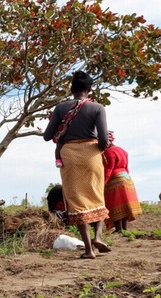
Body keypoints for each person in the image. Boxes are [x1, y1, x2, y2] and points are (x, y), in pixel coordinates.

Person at [43, 71, 111, 259]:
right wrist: (97, 148)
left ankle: (89, 250)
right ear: (89, 89)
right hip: (91, 153)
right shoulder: (97, 108)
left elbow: (47, 136)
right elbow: (104, 139)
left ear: (72, 89)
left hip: (69, 155)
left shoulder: (60, 108)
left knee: (77, 199)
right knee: (96, 194)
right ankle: (98, 236)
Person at [102, 132, 142, 232]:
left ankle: (119, 229)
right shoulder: (123, 151)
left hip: (115, 179)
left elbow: (109, 169)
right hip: (126, 178)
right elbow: (126, 167)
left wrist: (103, 183)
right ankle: (124, 228)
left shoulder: (109, 152)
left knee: (114, 204)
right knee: (124, 205)